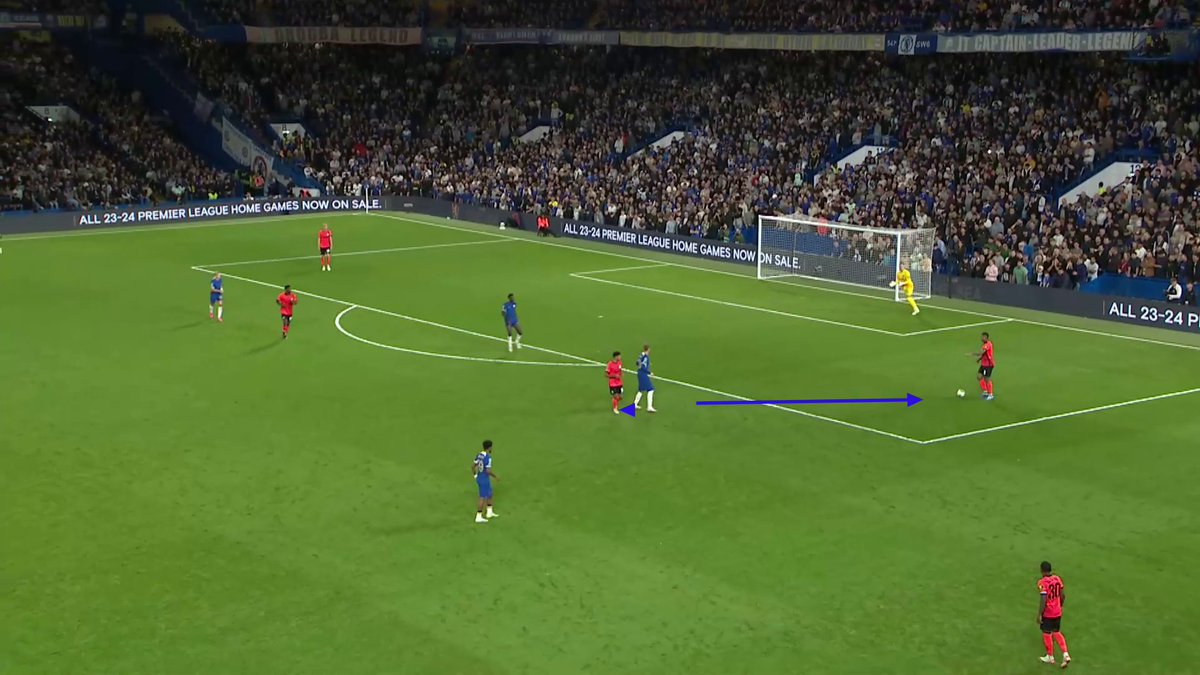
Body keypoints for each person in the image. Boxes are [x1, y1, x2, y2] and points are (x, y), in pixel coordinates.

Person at [1037, 561, 1070, 668]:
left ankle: (1050, 657)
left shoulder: (1042, 582)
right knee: (1056, 632)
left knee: (1046, 633)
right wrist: (1060, 606)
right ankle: (1065, 654)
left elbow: (1043, 599)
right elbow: (1063, 595)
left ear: (1042, 570)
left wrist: (1040, 613)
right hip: (1057, 611)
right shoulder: (1057, 579)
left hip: (1048, 613)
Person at [472, 439, 497, 524]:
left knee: (490, 493)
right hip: (484, 479)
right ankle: (478, 516)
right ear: (489, 447)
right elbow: (488, 471)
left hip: (480, 478)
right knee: (482, 497)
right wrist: (495, 477)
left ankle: (489, 512)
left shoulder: (479, 455)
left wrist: (475, 475)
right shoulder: (488, 457)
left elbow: (473, 466)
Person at [633, 344, 656, 413]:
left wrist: (646, 364)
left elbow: (638, 362)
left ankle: (635, 404)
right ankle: (649, 407)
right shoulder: (644, 356)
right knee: (651, 389)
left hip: (640, 373)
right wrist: (649, 372)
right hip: (643, 374)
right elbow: (641, 365)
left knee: (641, 390)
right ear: (648, 349)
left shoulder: (642, 355)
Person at [973, 332, 995, 400]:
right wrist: (979, 359)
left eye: (984, 337)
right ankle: (985, 391)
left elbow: (981, 353)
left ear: (987, 338)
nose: (982, 338)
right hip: (983, 364)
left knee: (986, 379)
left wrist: (973, 354)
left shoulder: (988, 344)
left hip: (988, 365)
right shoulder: (984, 344)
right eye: (982, 337)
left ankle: (991, 394)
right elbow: (984, 354)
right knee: (979, 377)